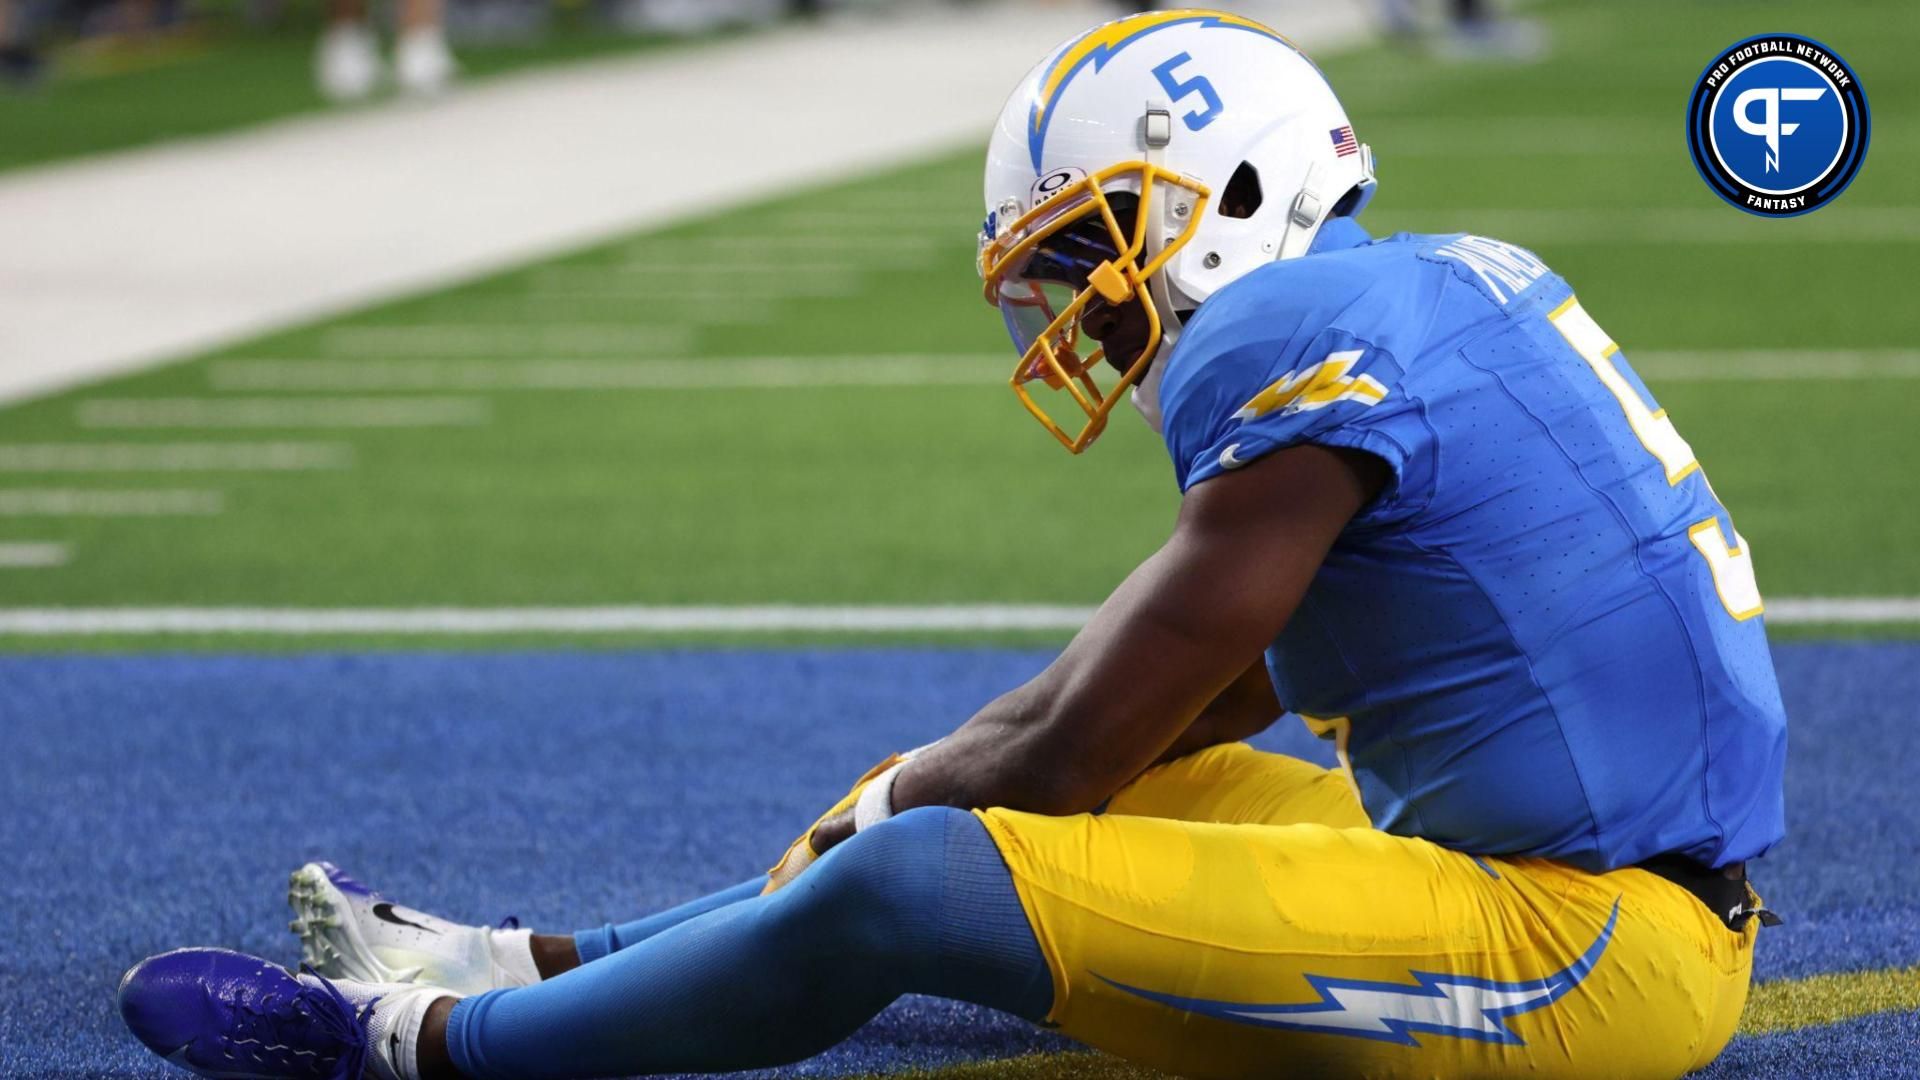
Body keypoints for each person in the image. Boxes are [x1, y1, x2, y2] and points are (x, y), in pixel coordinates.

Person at [117, 9, 1787, 1079]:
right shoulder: (1433, 287)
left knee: (930, 856)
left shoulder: (1280, 342)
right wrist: (926, 771)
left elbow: (1055, 759)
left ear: (1230, 188)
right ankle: (537, 961)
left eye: (1099, 246)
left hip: (1583, 943)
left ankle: (422, 1046)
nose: (1085, 308)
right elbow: (1141, 712)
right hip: (1555, 872)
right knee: (967, 783)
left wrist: (907, 800)